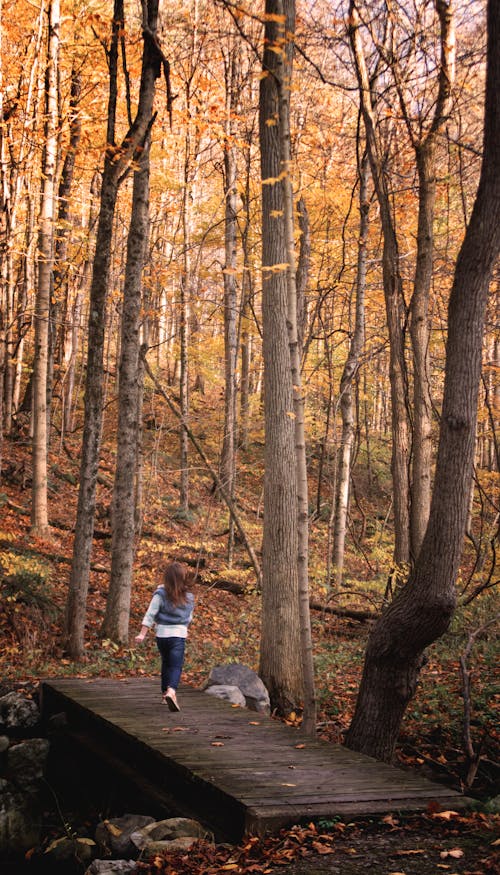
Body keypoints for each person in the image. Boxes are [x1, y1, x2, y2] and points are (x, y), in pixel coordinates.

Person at [135, 561, 195, 711]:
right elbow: (189, 619)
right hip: (178, 635)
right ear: (183, 578)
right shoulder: (189, 597)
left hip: (162, 635)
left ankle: (164, 694)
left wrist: (142, 634)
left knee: (166, 663)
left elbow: (150, 614)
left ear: (166, 578)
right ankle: (171, 691)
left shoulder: (160, 594)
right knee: (176, 666)